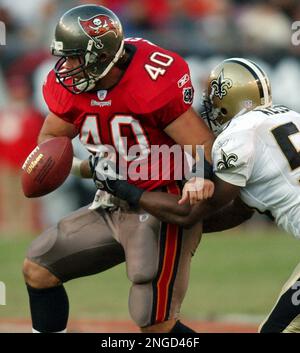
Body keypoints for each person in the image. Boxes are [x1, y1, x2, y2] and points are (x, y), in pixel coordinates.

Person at [22, 4, 215, 333]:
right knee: (38, 268)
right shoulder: (73, 86)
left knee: (153, 322)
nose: (65, 67)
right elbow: (53, 135)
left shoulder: (151, 79)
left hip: (160, 204)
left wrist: (197, 180)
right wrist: (81, 167)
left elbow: (201, 144)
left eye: (74, 57)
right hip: (112, 202)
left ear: (99, 55)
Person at [100, 57, 300, 333]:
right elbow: (237, 211)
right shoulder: (289, 117)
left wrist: (124, 189)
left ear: (227, 98)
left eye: (214, 99)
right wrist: (183, 229)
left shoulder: (237, 135)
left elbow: (191, 213)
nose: (210, 108)